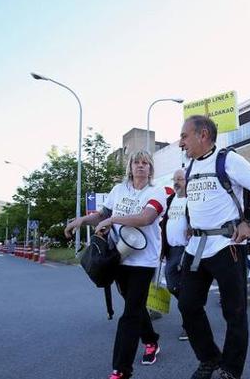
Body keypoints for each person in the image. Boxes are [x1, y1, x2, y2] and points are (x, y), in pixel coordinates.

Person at [178, 115, 250, 379]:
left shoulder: (228, 160)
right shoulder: (190, 166)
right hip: (196, 248)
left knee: (234, 311)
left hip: (226, 245)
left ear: (204, 134)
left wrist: (249, 221)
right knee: (187, 305)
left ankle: (230, 370)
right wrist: (190, 222)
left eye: (184, 136)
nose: (180, 142)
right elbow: (196, 201)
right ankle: (210, 358)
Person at [64, 150, 168, 379]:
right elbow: (102, 214)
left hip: (143, 261)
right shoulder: (118, 190)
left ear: (150, 169)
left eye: (145, 163)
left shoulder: (157, 191)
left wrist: (113, 220)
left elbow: (146, 218)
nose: (141, 166)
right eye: (136, 162)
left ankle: (121, 370)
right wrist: (81, 220)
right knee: (136, 306)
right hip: (119, 257)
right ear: (130, 167)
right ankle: (151, 341)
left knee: (130, 313)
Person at [160, 169, 190, 341]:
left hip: (186, 249)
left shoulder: (192, 199)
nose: (177, 182)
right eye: (175, 179)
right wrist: (162, 249)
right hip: (171, 250)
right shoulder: (170, 200)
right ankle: (193, 313)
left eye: (180, 179)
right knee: (174, 286)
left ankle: (189, 323)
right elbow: (164, 225)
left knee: (180, 286)